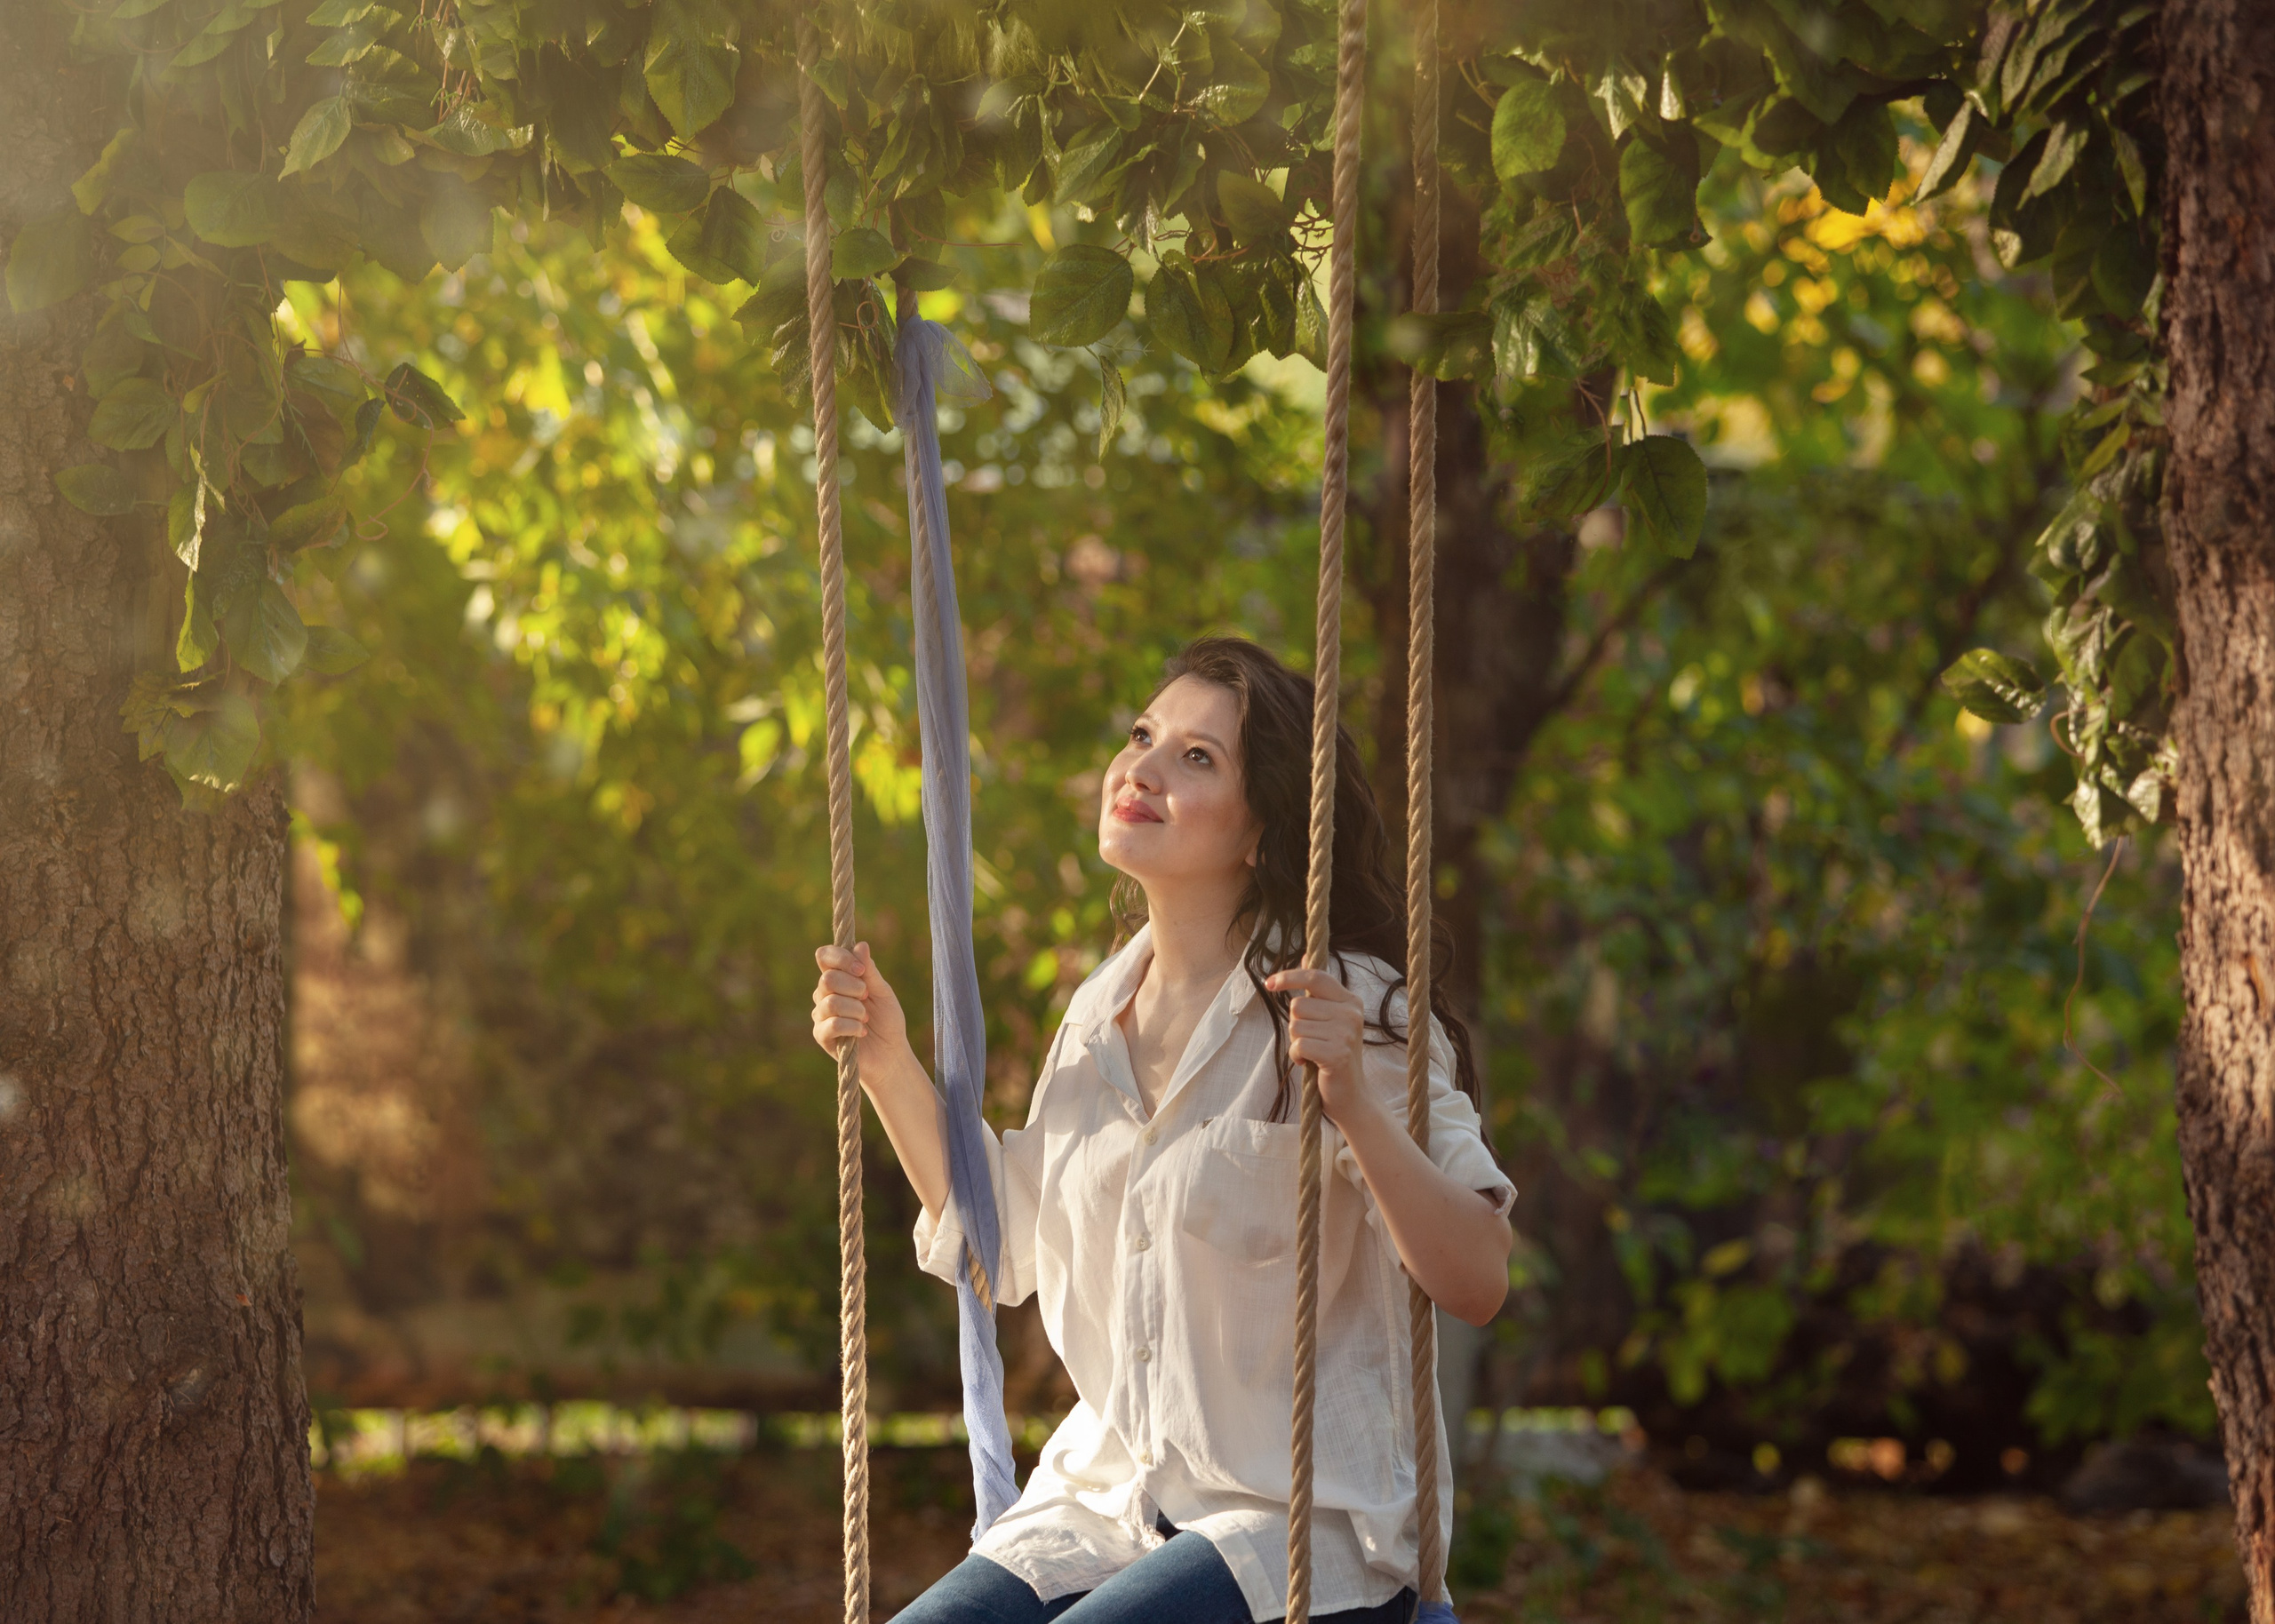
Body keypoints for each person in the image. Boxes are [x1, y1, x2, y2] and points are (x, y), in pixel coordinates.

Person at [810, 636, 1514, 1624]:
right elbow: (1002, 1246)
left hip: (1297, 1528)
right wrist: (886, 1058)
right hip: (1102, 1507)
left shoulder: (1349, 1007)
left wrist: (1353, 1100)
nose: (1140, 769)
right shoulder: (1098, 1014)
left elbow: (1478, 1278)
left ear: (1262, 830)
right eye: (1143, 736)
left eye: (1197, 758)